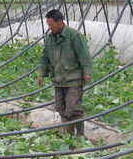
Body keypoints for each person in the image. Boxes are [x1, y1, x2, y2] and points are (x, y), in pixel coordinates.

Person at [37, 9, 93, 137]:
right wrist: (41, 73)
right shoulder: (50, 38)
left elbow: (84, 54)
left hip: (73, 78)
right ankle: (68, 134)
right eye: (48, 25)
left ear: (60, 22)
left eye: (52, 24)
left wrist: (88, 71)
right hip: (58, 79)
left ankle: (80, 135)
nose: (50, 27)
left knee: (73, 108)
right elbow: (45, 57)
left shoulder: (74, 36)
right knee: (61, 107)